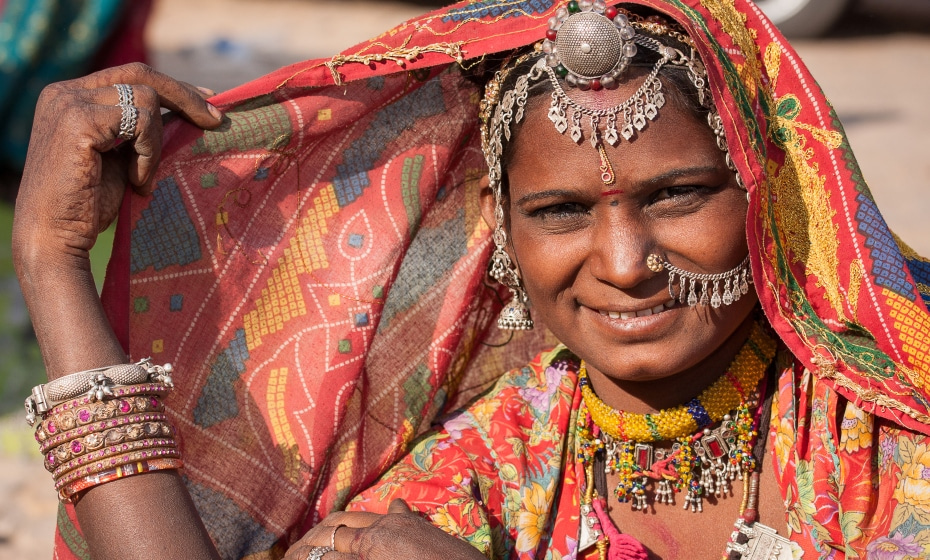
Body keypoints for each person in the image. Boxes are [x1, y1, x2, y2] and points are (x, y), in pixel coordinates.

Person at [13, 1, 930, 560]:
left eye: (679, 194)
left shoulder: (883, 432)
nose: (622, 264)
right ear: (503, 233)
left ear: (770, 191)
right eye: (562, 212)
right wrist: (52, 265)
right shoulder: (504, 453)